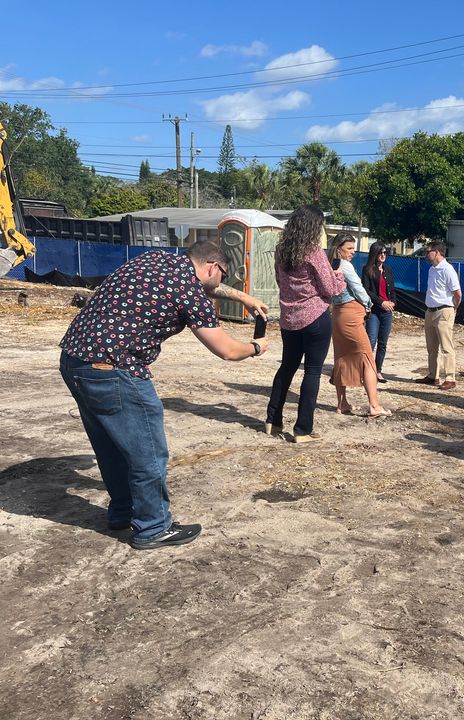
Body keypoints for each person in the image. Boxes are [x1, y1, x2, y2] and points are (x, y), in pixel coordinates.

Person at [59, 241, 270, 550]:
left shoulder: (156, 260)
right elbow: (226, 350)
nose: (221, 283)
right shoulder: (189, 290)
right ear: (213, 267)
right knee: (148, 453)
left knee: (113, 447)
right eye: (223, 277)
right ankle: (154, 527)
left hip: (75, 359)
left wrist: (242, 297)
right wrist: (255, 348)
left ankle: (123, 512)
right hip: (115, 368)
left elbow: (204, 288)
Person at [265, 205, 347, 444]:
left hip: (289, 319)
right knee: (312, 372)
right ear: (314, 227)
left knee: (287, 367)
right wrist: (339, 276)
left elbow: (280, 282)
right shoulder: (313, 252)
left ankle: (273, 419)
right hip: (315, 317)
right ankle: (302, 429)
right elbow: (331, 288)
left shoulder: (281, 251)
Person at [328, 232, 391, 418]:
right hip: (351, 313)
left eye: (353, 249)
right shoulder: (345, 266)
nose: (352, 252)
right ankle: (374, 405)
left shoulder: (327, 265)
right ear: (339, 248)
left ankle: (342, 403)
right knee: (367, 358)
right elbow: (359, 289)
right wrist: (369, 306)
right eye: (349, 249)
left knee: (341, 358)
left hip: (337, 313)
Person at [414, 240, 462, 390]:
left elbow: (458, 294)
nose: (426, 255)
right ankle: (432, 375)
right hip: (430, 311)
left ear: (437, 252)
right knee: (432, 347)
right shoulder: (432, 269)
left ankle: (450, 378)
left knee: (446, 347)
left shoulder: (448, 270)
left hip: (444, 311)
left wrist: (453, 309)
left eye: (428, 252)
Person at [361, 241, 396, 383]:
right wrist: (381, 302)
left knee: (383, 342)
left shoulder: (388, 270)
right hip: (375, 310)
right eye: (380, 253)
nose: (383, 255)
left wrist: (393, 302)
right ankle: (366, 371)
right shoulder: (367, 269)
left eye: (385, 253)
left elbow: (392, 290)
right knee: (371, 340)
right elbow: (366, 290)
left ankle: (378, 370)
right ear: (374, 254)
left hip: (387, 311)